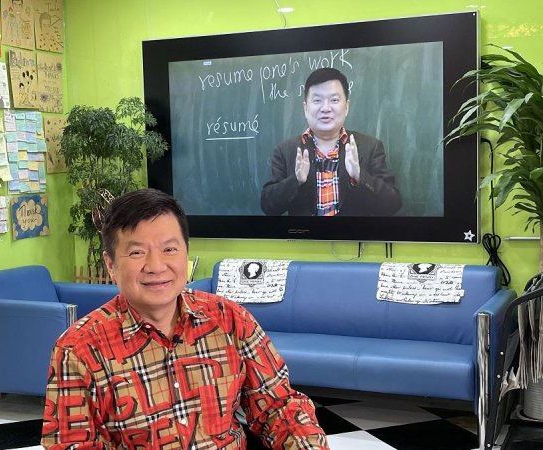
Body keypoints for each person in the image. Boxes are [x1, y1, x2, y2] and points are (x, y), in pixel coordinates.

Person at [41, 188, 328, 449]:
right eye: (137, 252)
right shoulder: (78, 349)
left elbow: (279, 407)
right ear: (110, 264)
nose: (156, 266)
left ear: (186, 253)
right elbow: (72, 444)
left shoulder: (230, 320)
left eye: (169, 249)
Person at [261, 67, 402, 217]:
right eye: (317, 100)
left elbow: (392, 205)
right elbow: (268, 207)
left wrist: (360, 176)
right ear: (305, 108)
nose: (326, 108)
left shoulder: (370, 147)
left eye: (334, 100)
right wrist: (296, 181)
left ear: (346, 107)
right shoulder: (285, 151)